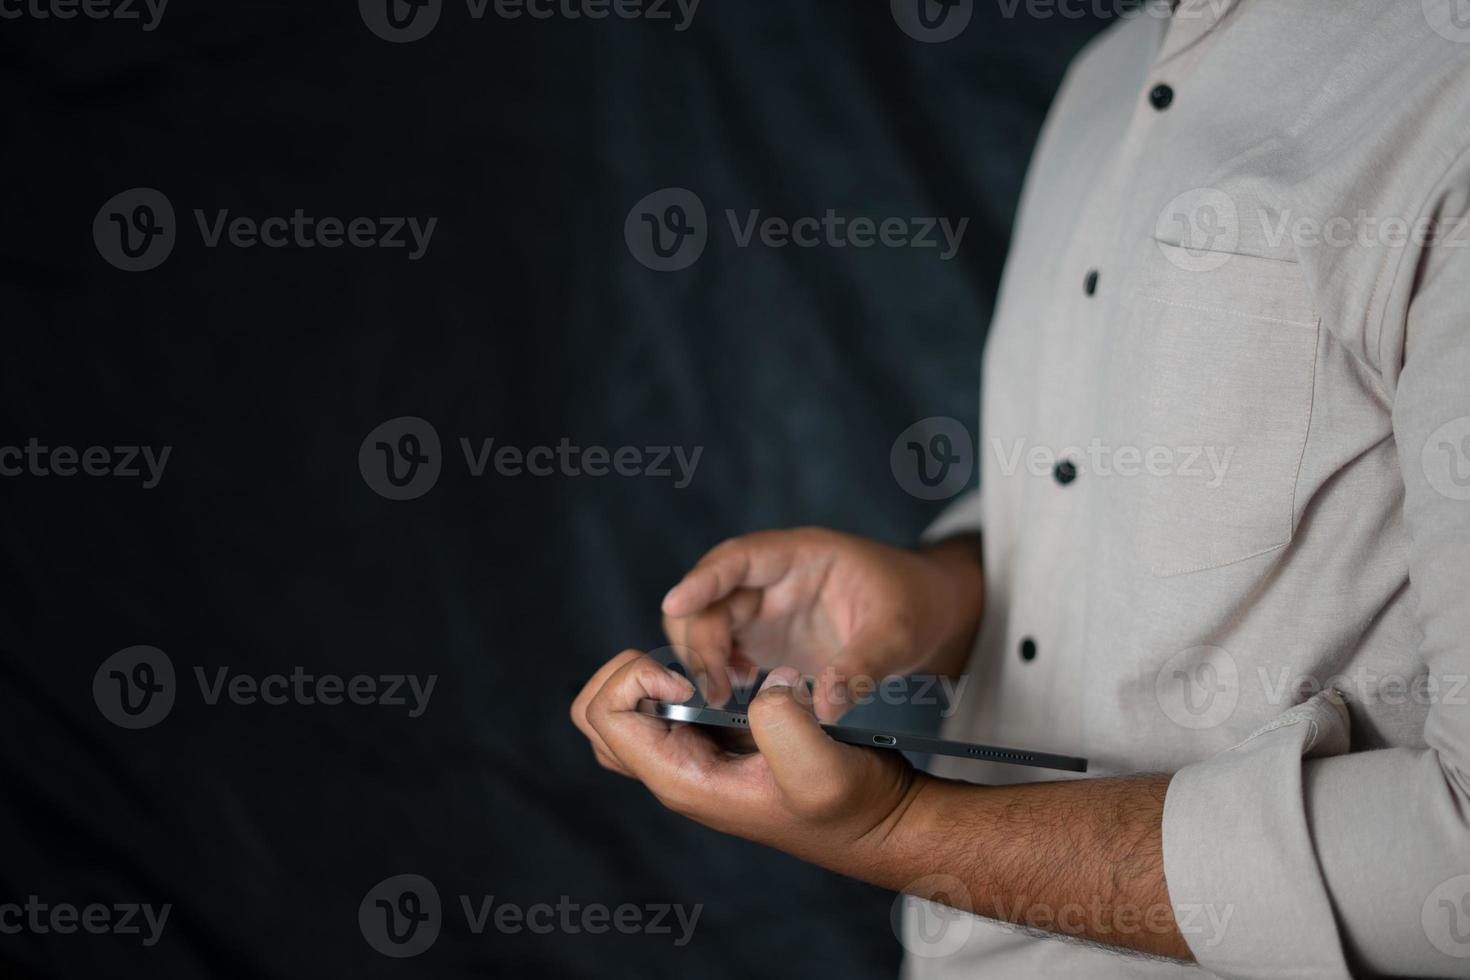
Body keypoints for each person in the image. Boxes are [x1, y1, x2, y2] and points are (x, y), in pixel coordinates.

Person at [571, 1, 1470, 975]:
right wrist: (936, 595)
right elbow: (1089, 509)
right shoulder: (1105, 74)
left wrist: (895, 832)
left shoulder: (1441, 84)